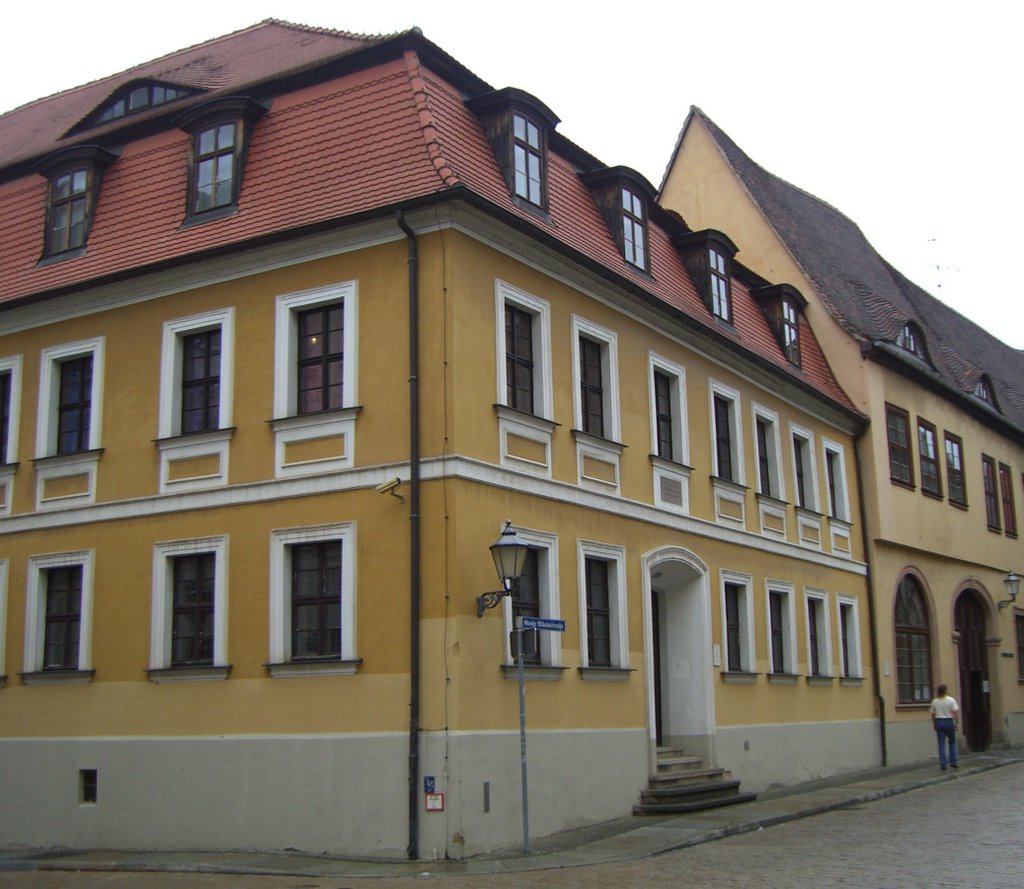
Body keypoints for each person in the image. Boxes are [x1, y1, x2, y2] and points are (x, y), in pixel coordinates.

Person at [930, 684, 960, 770]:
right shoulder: (951, 700)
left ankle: (943, 764)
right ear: (945, 690)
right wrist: (956, 723)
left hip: (939, 722)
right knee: (952, 742)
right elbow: (955, 713)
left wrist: (935, 724)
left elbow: (933, 714)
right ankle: (953, 761)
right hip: (949, 721)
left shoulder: (935, 701)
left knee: (941, 744)